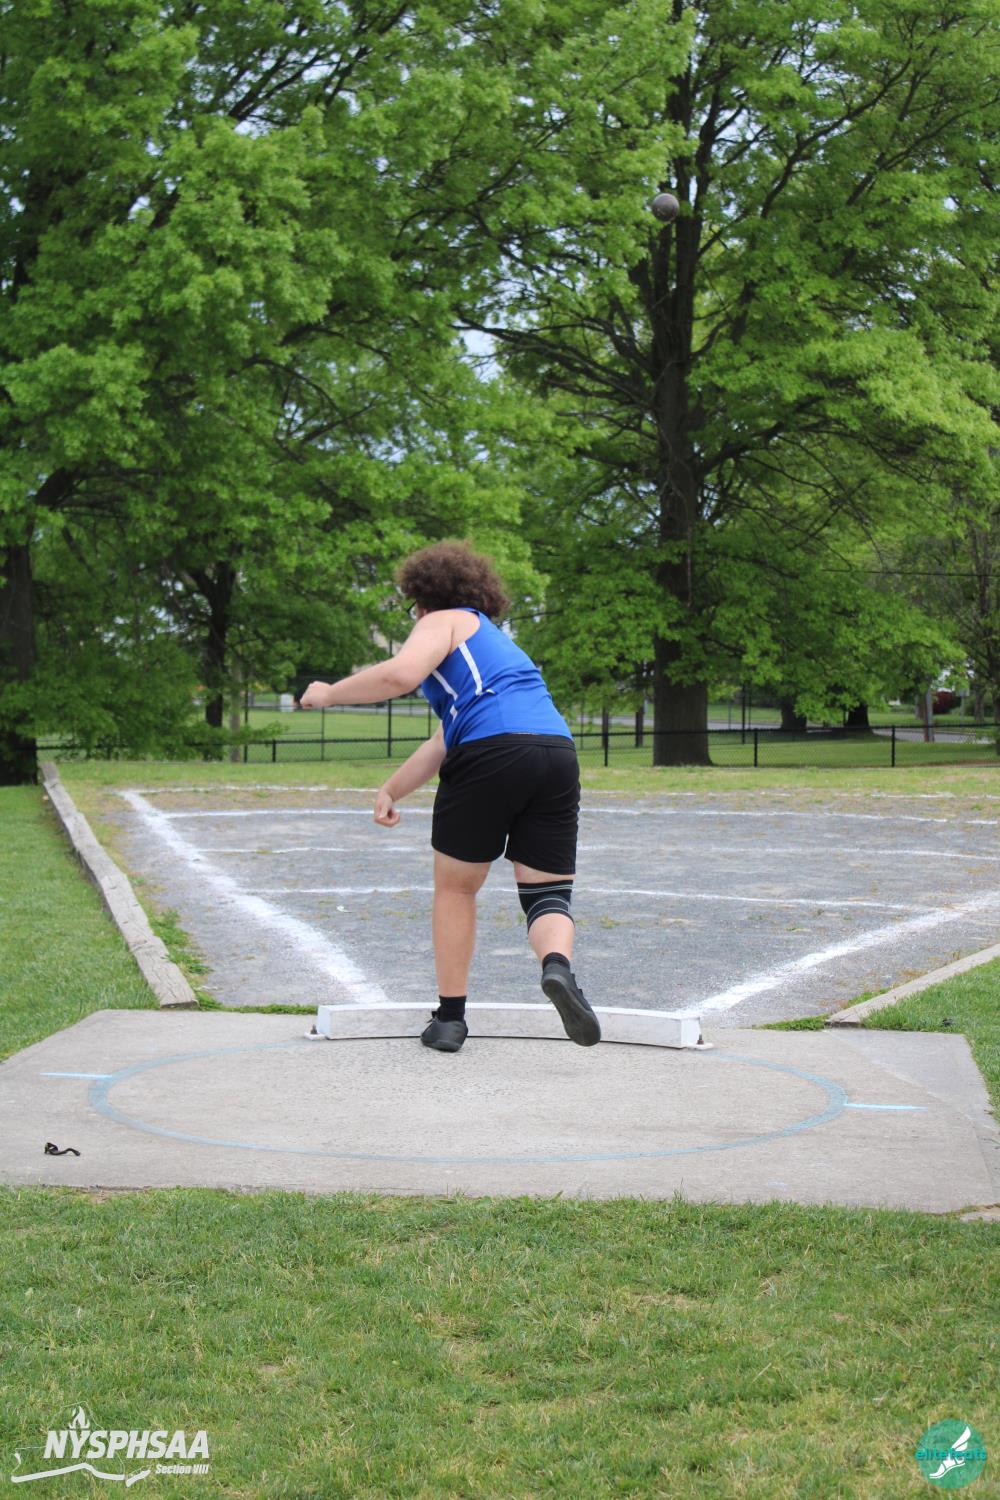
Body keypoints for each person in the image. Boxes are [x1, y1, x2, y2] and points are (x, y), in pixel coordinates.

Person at [298, 539, 599, 1054]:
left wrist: (329, 693)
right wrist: (392, 788)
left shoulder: (445, 619)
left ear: (424, 598)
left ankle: (450, 1019)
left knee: (457, 889)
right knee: (547, 893)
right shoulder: (497, 648)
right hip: (556, 753)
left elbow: (399, 674)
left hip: (491, 754)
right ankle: (558, 968)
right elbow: (444, 740)